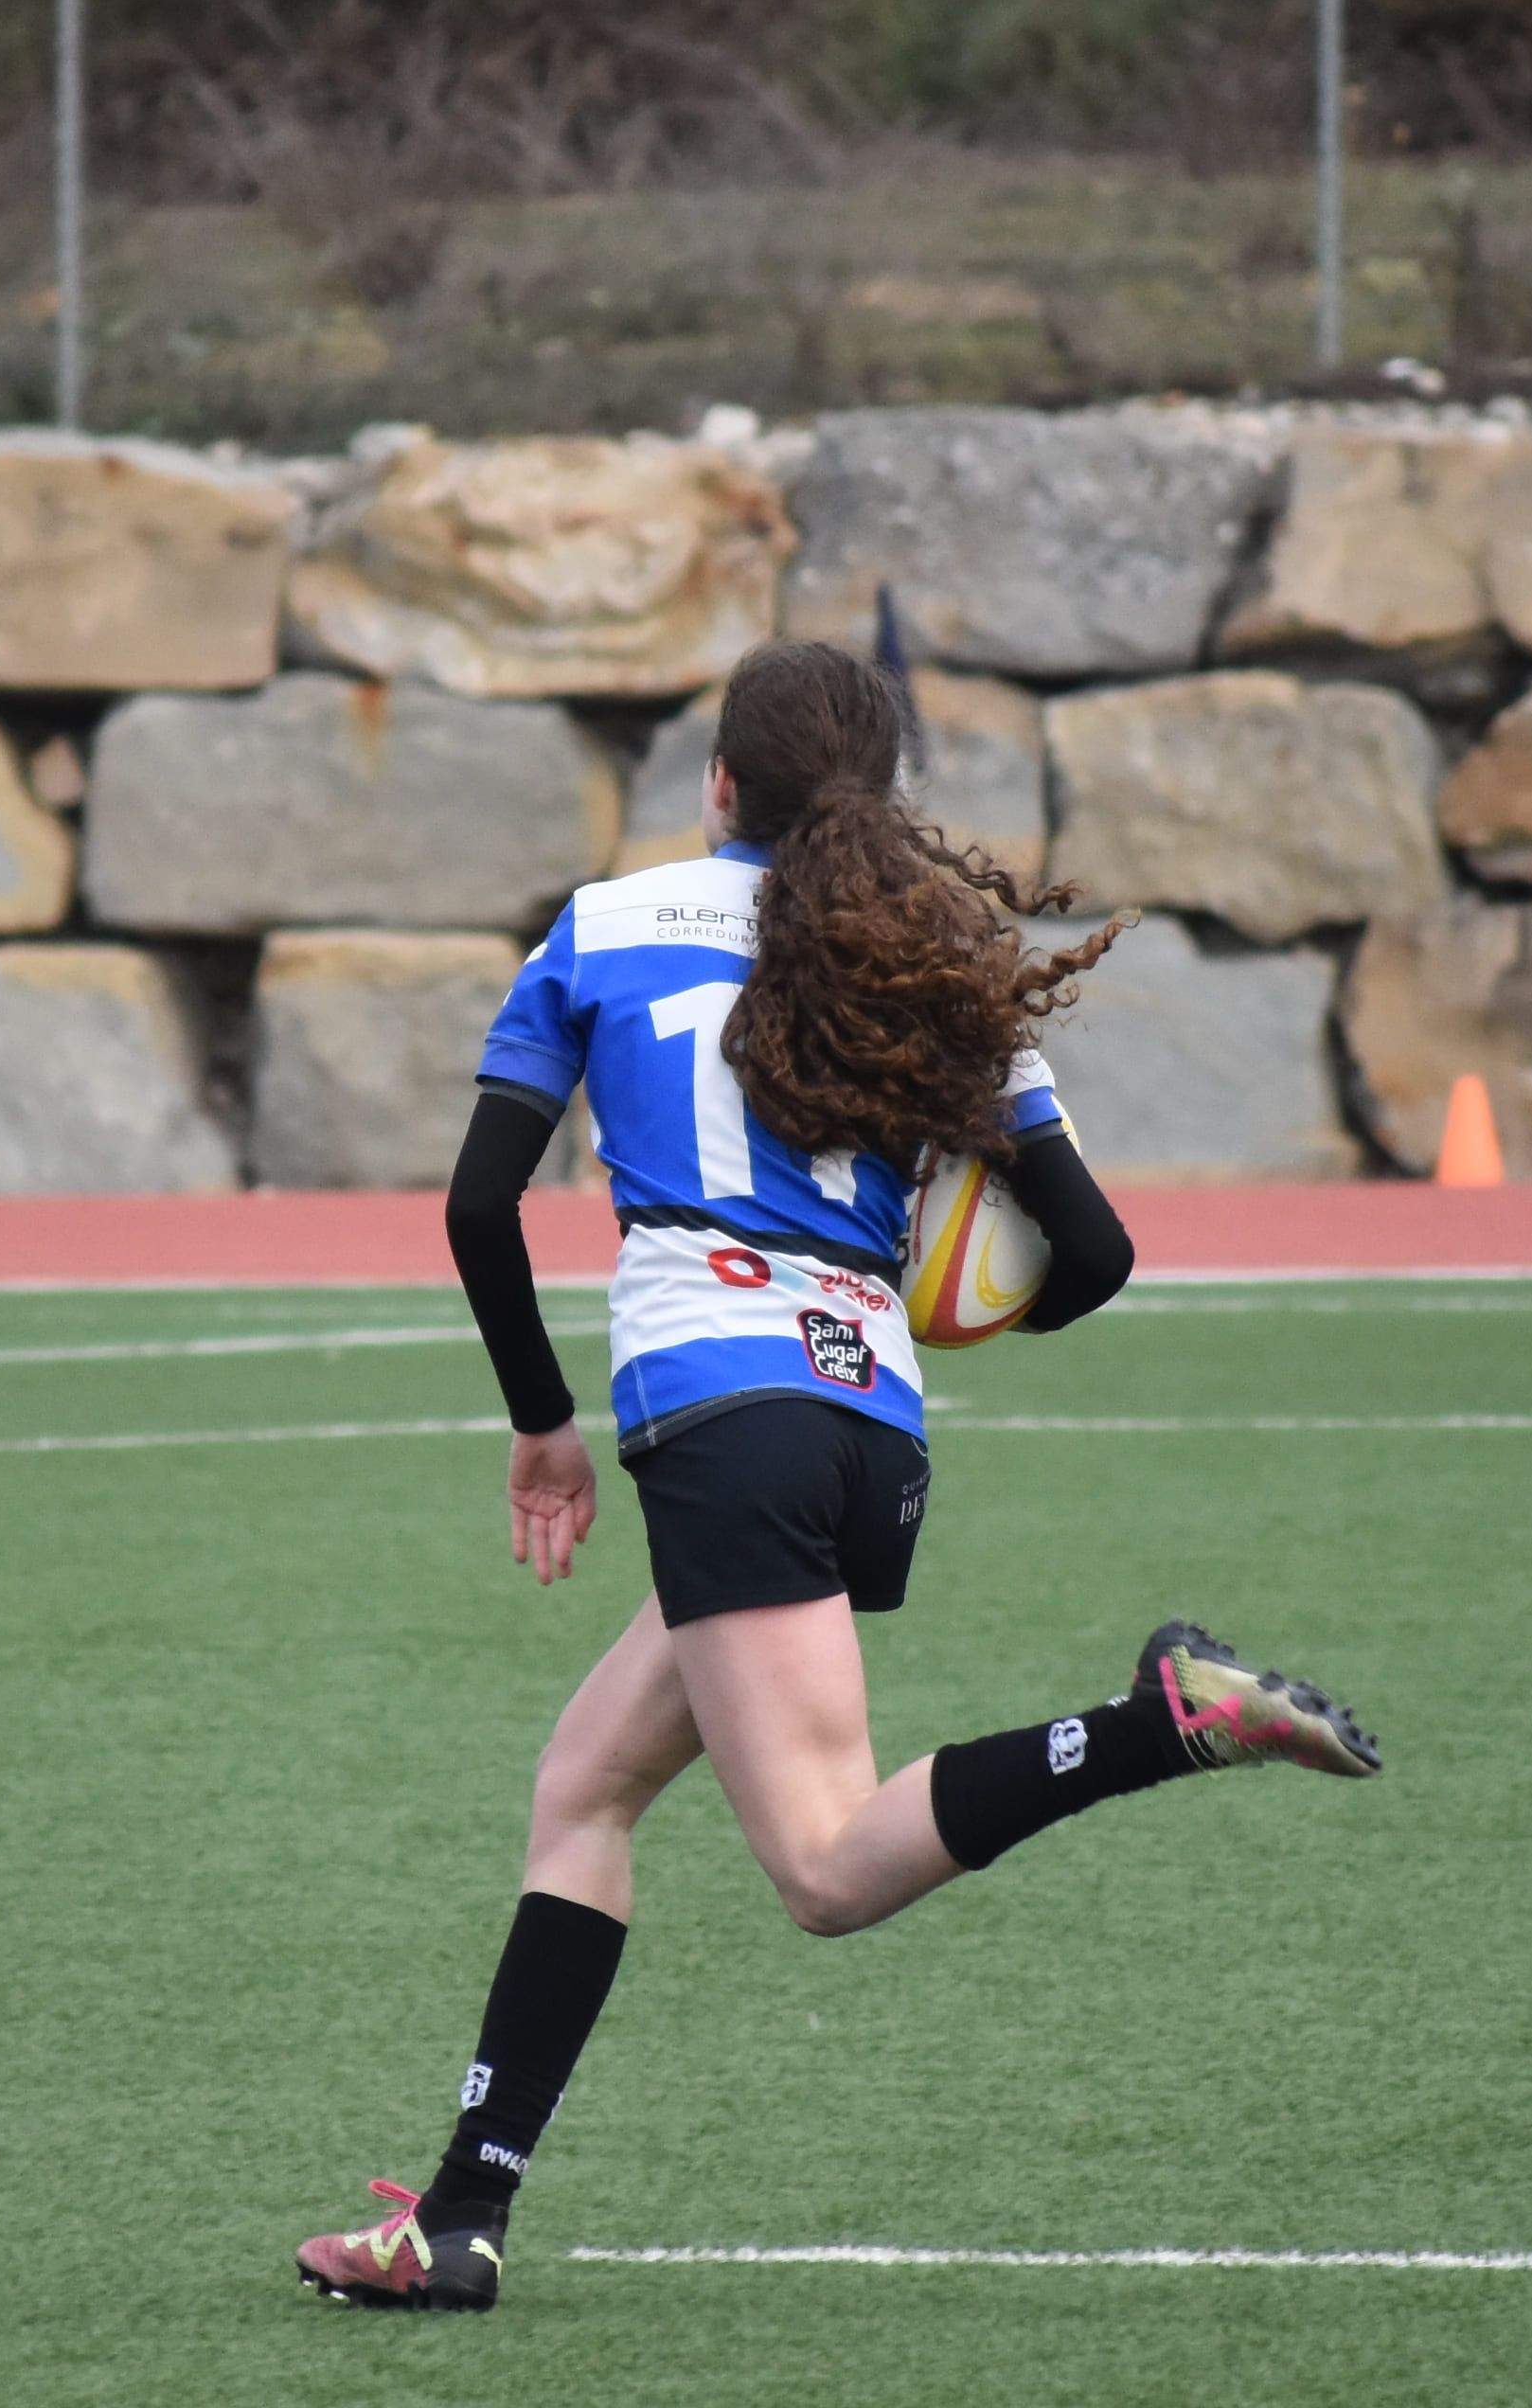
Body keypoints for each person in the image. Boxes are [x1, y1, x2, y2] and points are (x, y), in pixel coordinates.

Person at [297, 634, 1381, 2316]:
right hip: (868, 1420)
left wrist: (540, 1420)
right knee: (583, 1784)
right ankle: (457, 2216)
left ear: (718, 786)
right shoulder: (931, 949)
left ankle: (1162, 1723)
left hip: (719, 1414)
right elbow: (1090, 1253)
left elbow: (475, 1207)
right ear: (875, 804)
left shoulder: (602, 926)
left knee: (819, 1867)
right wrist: (934, 1292)